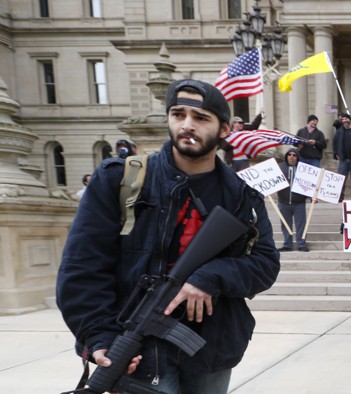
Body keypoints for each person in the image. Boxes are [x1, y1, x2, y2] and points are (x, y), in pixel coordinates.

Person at [56, 79, 280, 393]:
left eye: (201, 118)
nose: (187, 125)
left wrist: (210, 277)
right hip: (137, 344)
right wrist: (98, 335)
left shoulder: (242, 196)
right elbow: (82, 268)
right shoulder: (122, 180)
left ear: (225, 130)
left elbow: (265, 264)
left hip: (211, 346)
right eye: (178, 114)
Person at [278, 148, 309, 252]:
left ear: (297, 157)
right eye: (289, 154)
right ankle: (287, 244)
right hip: (283, 202)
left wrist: (312, 196)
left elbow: (309, 185)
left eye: (294, 155)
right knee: (285, 224)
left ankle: (301, 244)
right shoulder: (280, 167)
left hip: (299, 202)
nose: (291, 157)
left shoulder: (303, 169)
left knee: (301, 225)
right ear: (286, 156)